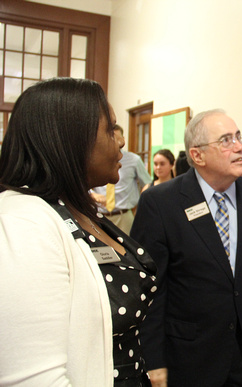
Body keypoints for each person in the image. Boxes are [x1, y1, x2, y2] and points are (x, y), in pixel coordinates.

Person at [0, 77, 157, 386]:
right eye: (111, 129)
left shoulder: (78, 209)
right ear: (71, 140)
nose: (122, 141)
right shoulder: (24, 224)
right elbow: (34, 379)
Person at [131, 109, 242, 386]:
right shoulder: (161, 203)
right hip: (192, 358)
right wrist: (152, 359)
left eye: (239, 137)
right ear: (198, 156)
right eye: (226, 140)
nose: (240, 147)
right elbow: (150, 289)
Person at [91, 125, 151, 234]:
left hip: (124, 216)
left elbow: (147, 182)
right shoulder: (96, 159)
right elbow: (84, 183)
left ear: (123, 140)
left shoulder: (134, 160)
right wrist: (93, 195)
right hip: (101, 216)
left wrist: (142, 203)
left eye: (117, 138)